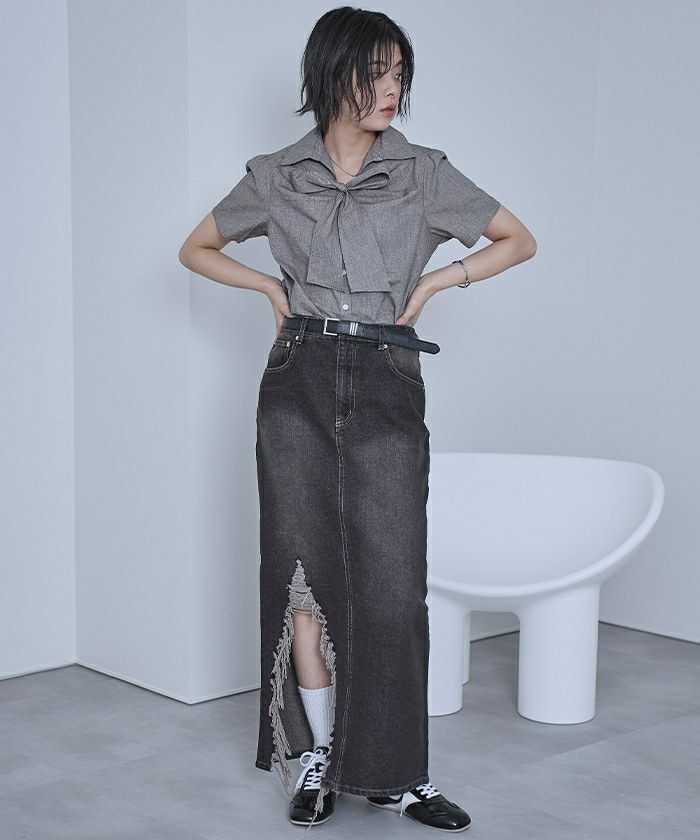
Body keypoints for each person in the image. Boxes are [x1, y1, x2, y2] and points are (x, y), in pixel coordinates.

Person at [179, 5, 536, 833]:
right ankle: (316, 759)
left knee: (391, 582)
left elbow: (518, 239)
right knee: (301, 575)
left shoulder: (424, 172)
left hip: (385, 374)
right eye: (375, 71)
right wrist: (267, 288)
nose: (391, 87)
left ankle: (397, 773)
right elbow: (195, 248)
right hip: (297, 376)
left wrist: (440, 281)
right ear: (330, 73)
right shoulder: (277, 175)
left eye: (399, 72)